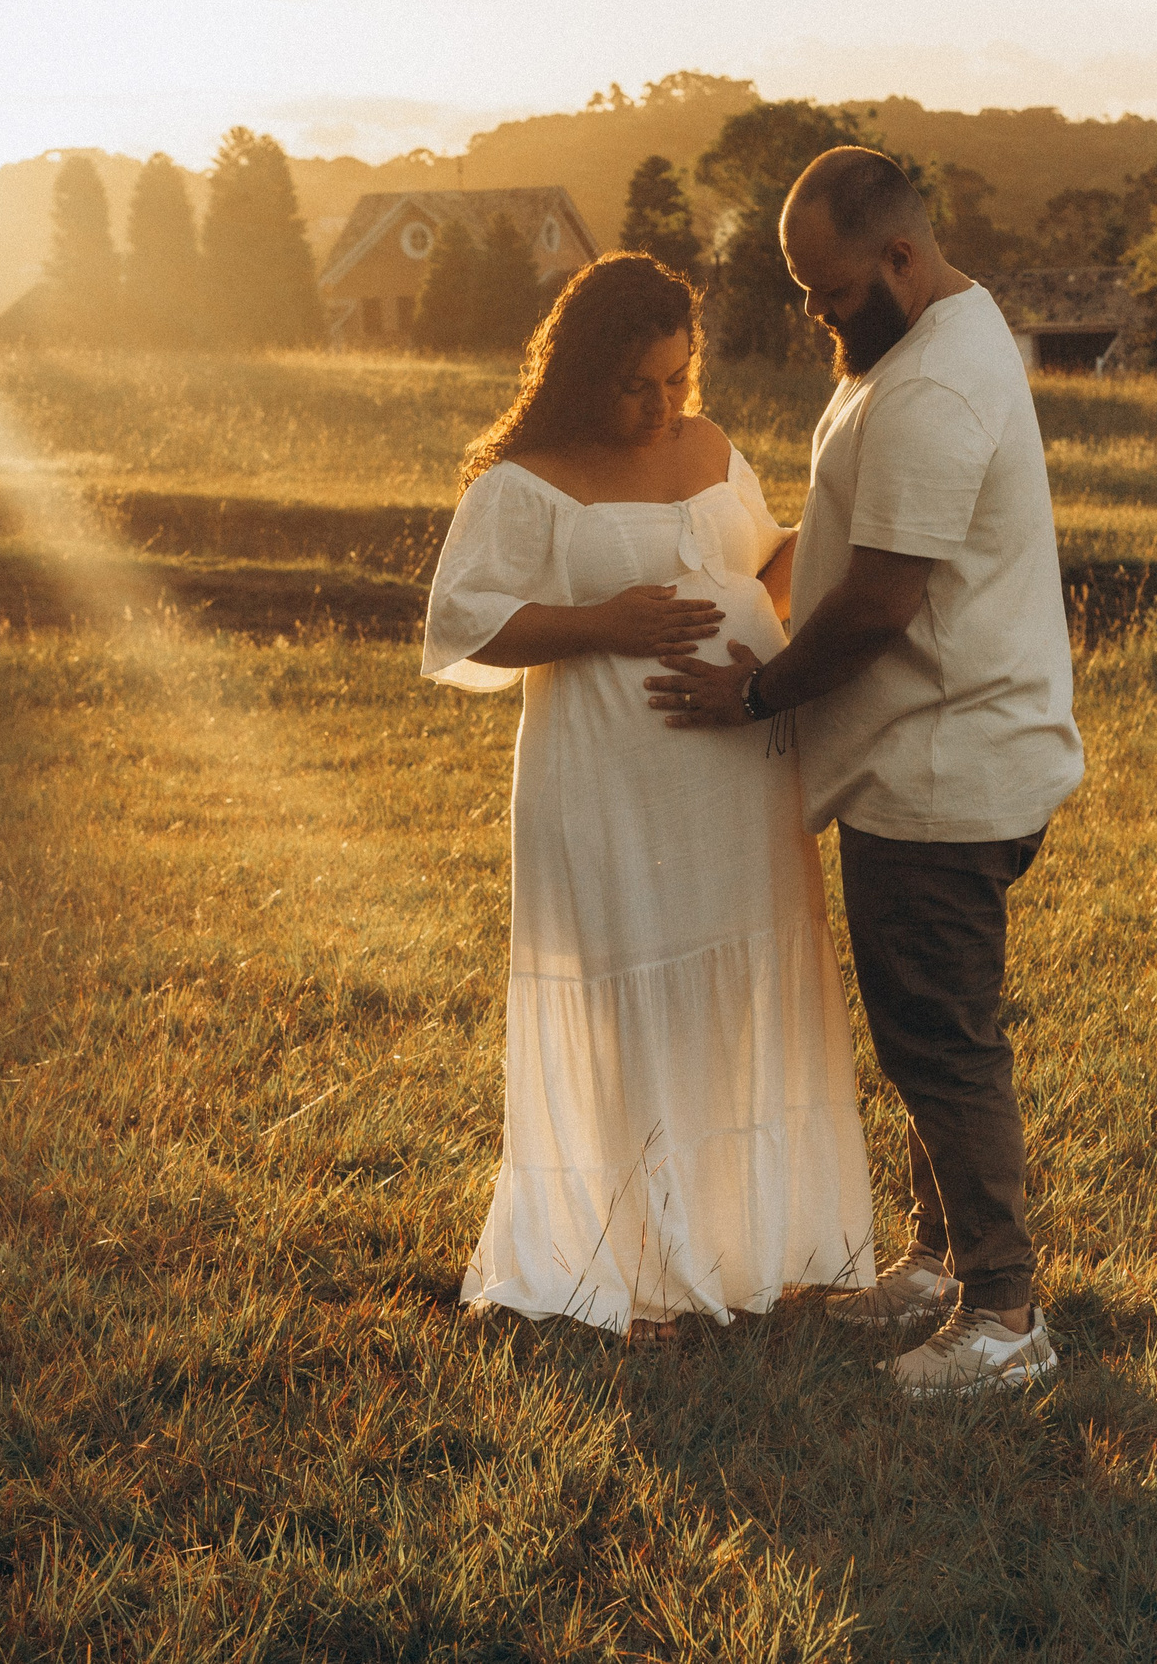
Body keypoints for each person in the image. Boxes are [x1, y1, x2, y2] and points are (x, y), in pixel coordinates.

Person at [645, 148, 1084, 1395]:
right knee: (922, 1031)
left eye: (831, 290)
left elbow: (881, 601)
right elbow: (853, 541)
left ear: (899, 255)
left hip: (942, 764)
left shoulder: (933, 385)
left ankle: (1003, 1317)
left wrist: (754, 692)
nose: (816, 313)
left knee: (941, 1043)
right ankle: (942, 1262)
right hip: (932, 752)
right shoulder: (923, 339)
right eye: (804, 290)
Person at [421, 252, 876, 1344]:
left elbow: (761, 567)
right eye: (635, 385)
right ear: (581, 373)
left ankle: (749, 1242)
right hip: (609, 777)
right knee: (631, 997)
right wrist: (603, 624)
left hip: (738, 770)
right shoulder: (522, 478)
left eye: (676, 378)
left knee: (741, 994)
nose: (662, 406)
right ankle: (628, 1259)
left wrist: (841, 530)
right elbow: (462, 622)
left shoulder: (710, 446)